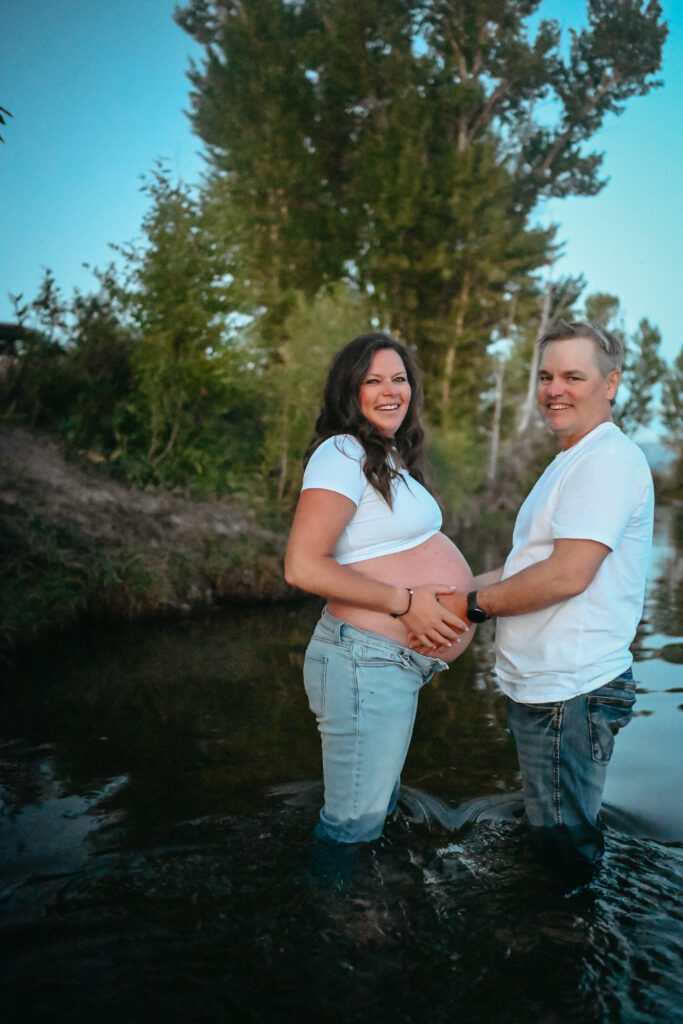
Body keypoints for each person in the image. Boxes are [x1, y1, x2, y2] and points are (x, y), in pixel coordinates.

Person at [430, 320, 655, 882]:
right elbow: (525, 567)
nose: (556, 389)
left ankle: (566, 945)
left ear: (611, 384)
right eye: (547, 375)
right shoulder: (572, 460)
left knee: (564, 852)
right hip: (551, 689)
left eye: (574, 376)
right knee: (554, 834)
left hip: (570, 693)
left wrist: (472, 608)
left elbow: (566, 576)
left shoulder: (605, 462)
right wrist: (445, 595)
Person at [285, 332, 475, 846]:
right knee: (351, 827)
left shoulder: (387, 459)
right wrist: (407, 602)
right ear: (350, 392)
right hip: (362, 663)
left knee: (371, 815)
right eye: (373, 380)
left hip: (384, 665)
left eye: (399, 378)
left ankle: (364, 914)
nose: (391, 390)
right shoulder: (341, 452)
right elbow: (302, 566)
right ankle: (336, 919)